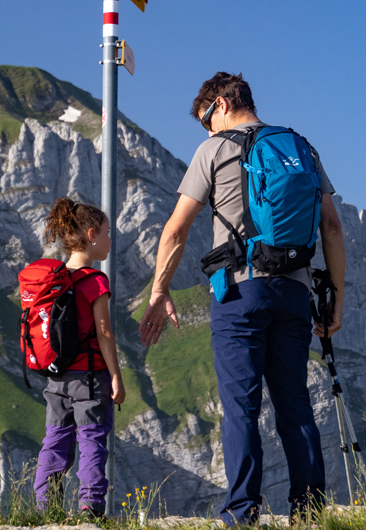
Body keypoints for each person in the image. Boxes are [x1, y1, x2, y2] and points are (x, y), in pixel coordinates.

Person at [137, 72, 347, 525]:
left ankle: (242, 513)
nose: (206, 129)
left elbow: (176, 229)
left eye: (205, 120)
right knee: (294, 403)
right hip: (295, 292)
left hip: (240, 291)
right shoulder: (302, 148)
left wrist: (159, 291)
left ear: (220, 105)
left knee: (241, 407)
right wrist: (338, 299)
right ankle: (309, 512)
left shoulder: (213, 149)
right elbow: (331, 227)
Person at [32, 197, 127, 516]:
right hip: (89, 379)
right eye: (108, 232)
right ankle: (90, 505)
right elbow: (105, 334)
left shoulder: (53, 281)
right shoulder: (95, 281)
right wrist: (116, 377)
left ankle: (46, 507)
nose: (111, 239)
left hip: (56, 378)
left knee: (55, 441)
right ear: (91, 235)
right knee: (91, 442)